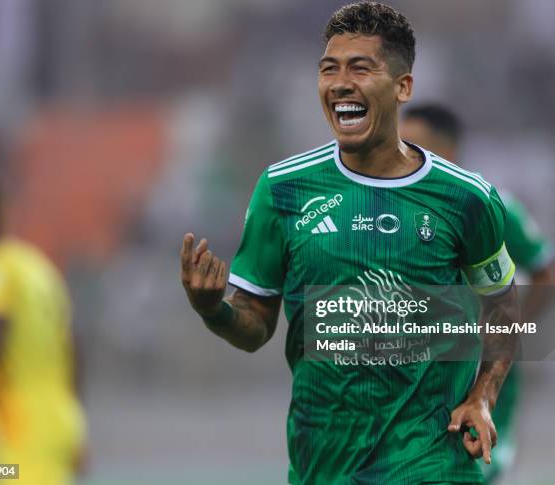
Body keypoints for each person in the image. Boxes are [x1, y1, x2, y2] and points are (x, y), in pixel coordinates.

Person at [181, 3, 519, 484]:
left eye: (360, 68)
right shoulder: (283, 190)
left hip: (433, 464)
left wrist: (483, 396)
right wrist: (212, 309)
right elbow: (255, 325)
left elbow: (503, 303)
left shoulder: (466, 198)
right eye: (328, 69)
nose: (340, 83)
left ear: (403, 87)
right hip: (324, 466)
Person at [401, 102, 554, 483]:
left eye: (411, 146)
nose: (399, 155)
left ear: (448, 152)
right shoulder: (394, 211)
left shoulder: (488, 204)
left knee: (474, 466)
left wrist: (513, 329)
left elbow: (545, 271)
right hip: (420, 370)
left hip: (477, 371)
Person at [0, 187, 86, 484]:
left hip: (20, 426)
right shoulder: (38, 266)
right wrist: (78, 424)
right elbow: (73, 346)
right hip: (59, 418)